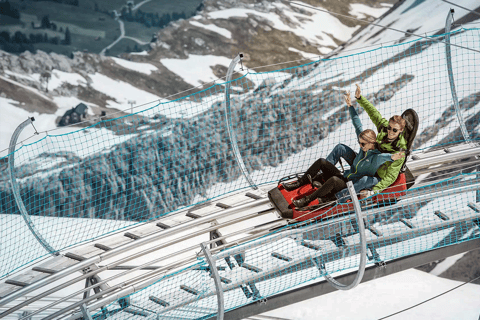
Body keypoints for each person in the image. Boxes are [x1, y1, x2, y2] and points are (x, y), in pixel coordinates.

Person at [286, 92, 404, 208]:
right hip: (347, 175)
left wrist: (393, 157)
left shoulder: (375, 158)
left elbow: (383, 158)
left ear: (371, 143)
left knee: (333, 180)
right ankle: (302, 181)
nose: (360, 145)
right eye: (359, 142)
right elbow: (358, 125)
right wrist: (350, 106)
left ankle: (307, 200)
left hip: (349, 184)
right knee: (326, 158)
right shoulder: (367, 145)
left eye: (362, 144)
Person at [354, 84, 408, 196]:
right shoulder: (384, 128)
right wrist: (360, 99)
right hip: (369, 161)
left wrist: (374, 191)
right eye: (389, 128)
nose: (390, 132)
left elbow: (391, 176)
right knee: (341, 149)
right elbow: (374, 113)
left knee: (363, 180)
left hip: (377, 174)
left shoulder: (399, 150)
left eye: (394, 130)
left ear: (401, 130)